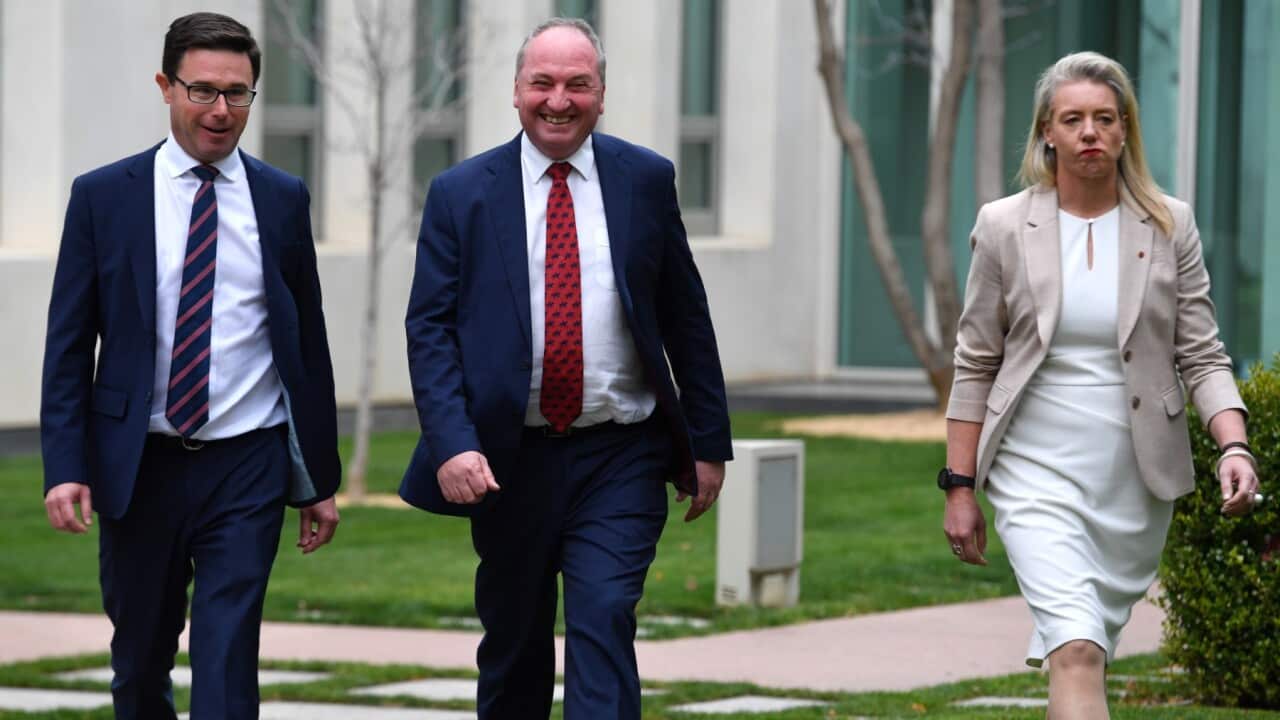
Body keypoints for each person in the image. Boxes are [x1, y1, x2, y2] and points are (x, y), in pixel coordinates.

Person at [399, 17, 732, 720]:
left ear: (601, 94)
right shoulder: (462, 192)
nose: (559, 100)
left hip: (620, 453)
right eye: (542, 83)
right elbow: (429, 330)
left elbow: (686, 317)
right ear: (516, 91)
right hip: (507, 459)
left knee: (604, 615)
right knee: (515, 642)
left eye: (577, 84)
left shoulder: (645, 180)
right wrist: (453, 443)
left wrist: (708, 443)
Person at [940, 51, 1262, 719]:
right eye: (1073, 119)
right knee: (1078, 649)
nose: (1090, 131)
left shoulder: (1168, 223)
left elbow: (1202, 354)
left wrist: (1233, 446)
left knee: (1082, 651)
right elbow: (975, 363)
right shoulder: (1003, 226)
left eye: (1105, 118)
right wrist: (960, 487)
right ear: (1047, 133)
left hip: (1132, 480)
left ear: (1124, 130)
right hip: (1034, 471)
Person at [40, 12, 341, 719]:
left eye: (238, 93)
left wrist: (318, 480)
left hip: (247, 460)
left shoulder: (281, 199)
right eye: (203, 90)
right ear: (166, 87)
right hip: (140, 463)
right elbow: (69, 343)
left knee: (227, 651)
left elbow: (307, 345)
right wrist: (65, 465)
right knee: (140, 657)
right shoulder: (104, 196)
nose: (220, 110)